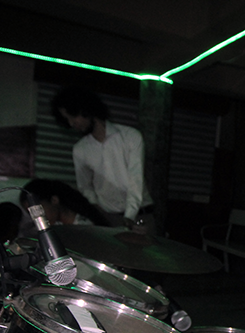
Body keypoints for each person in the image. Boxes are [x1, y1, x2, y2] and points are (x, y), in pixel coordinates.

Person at [51, 86, 154, 232]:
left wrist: (129, 216)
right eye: (66, 119)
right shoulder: (80, 149)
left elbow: (135, 179)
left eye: (72, 116)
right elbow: (84, 186)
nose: (71, 123)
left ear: (86, 109)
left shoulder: (130, 136)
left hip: (141, 215)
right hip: (108, 218)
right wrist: (96, 209)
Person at [19, 178, 110, 234]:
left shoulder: (86, 227)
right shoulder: (55, 228)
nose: (36, 217)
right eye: (31, 214)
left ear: (54, 200)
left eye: (38, 210)